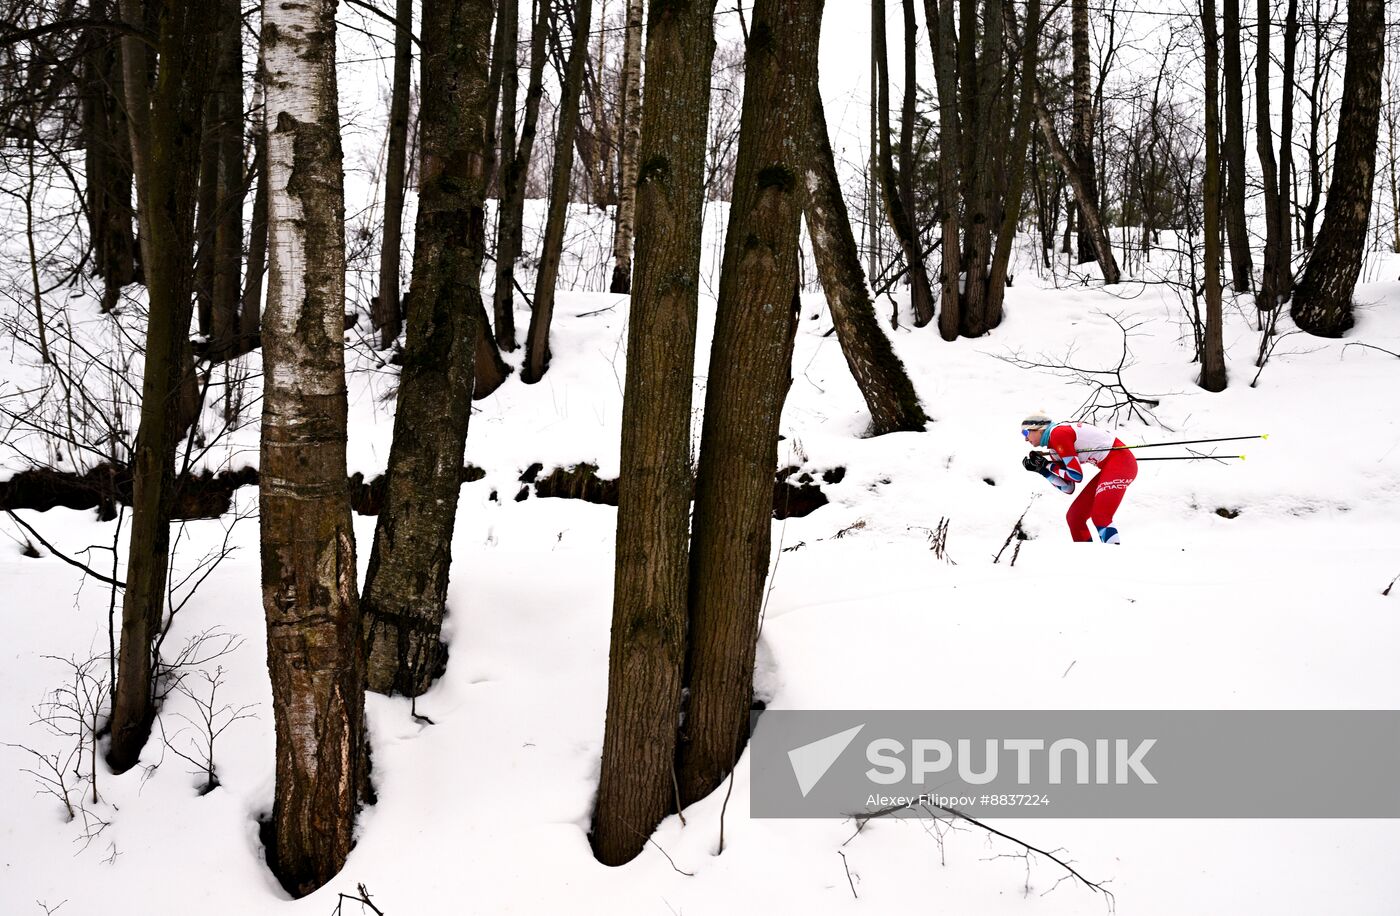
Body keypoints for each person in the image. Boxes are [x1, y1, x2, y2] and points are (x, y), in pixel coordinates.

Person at [1020, 413, 1137, 544]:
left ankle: (1114, 560)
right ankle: (1087, 560)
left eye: (1025, 432)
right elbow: (1068, 487)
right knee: (1075, 518)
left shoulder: (1058, 434)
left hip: (1121, 462)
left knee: (1101, 516)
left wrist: (1047, 465)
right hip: (1110, 466)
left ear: (1039, 428)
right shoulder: (1054, 450)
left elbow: (1076, 475)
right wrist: (1042, 471)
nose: (1025, 438)